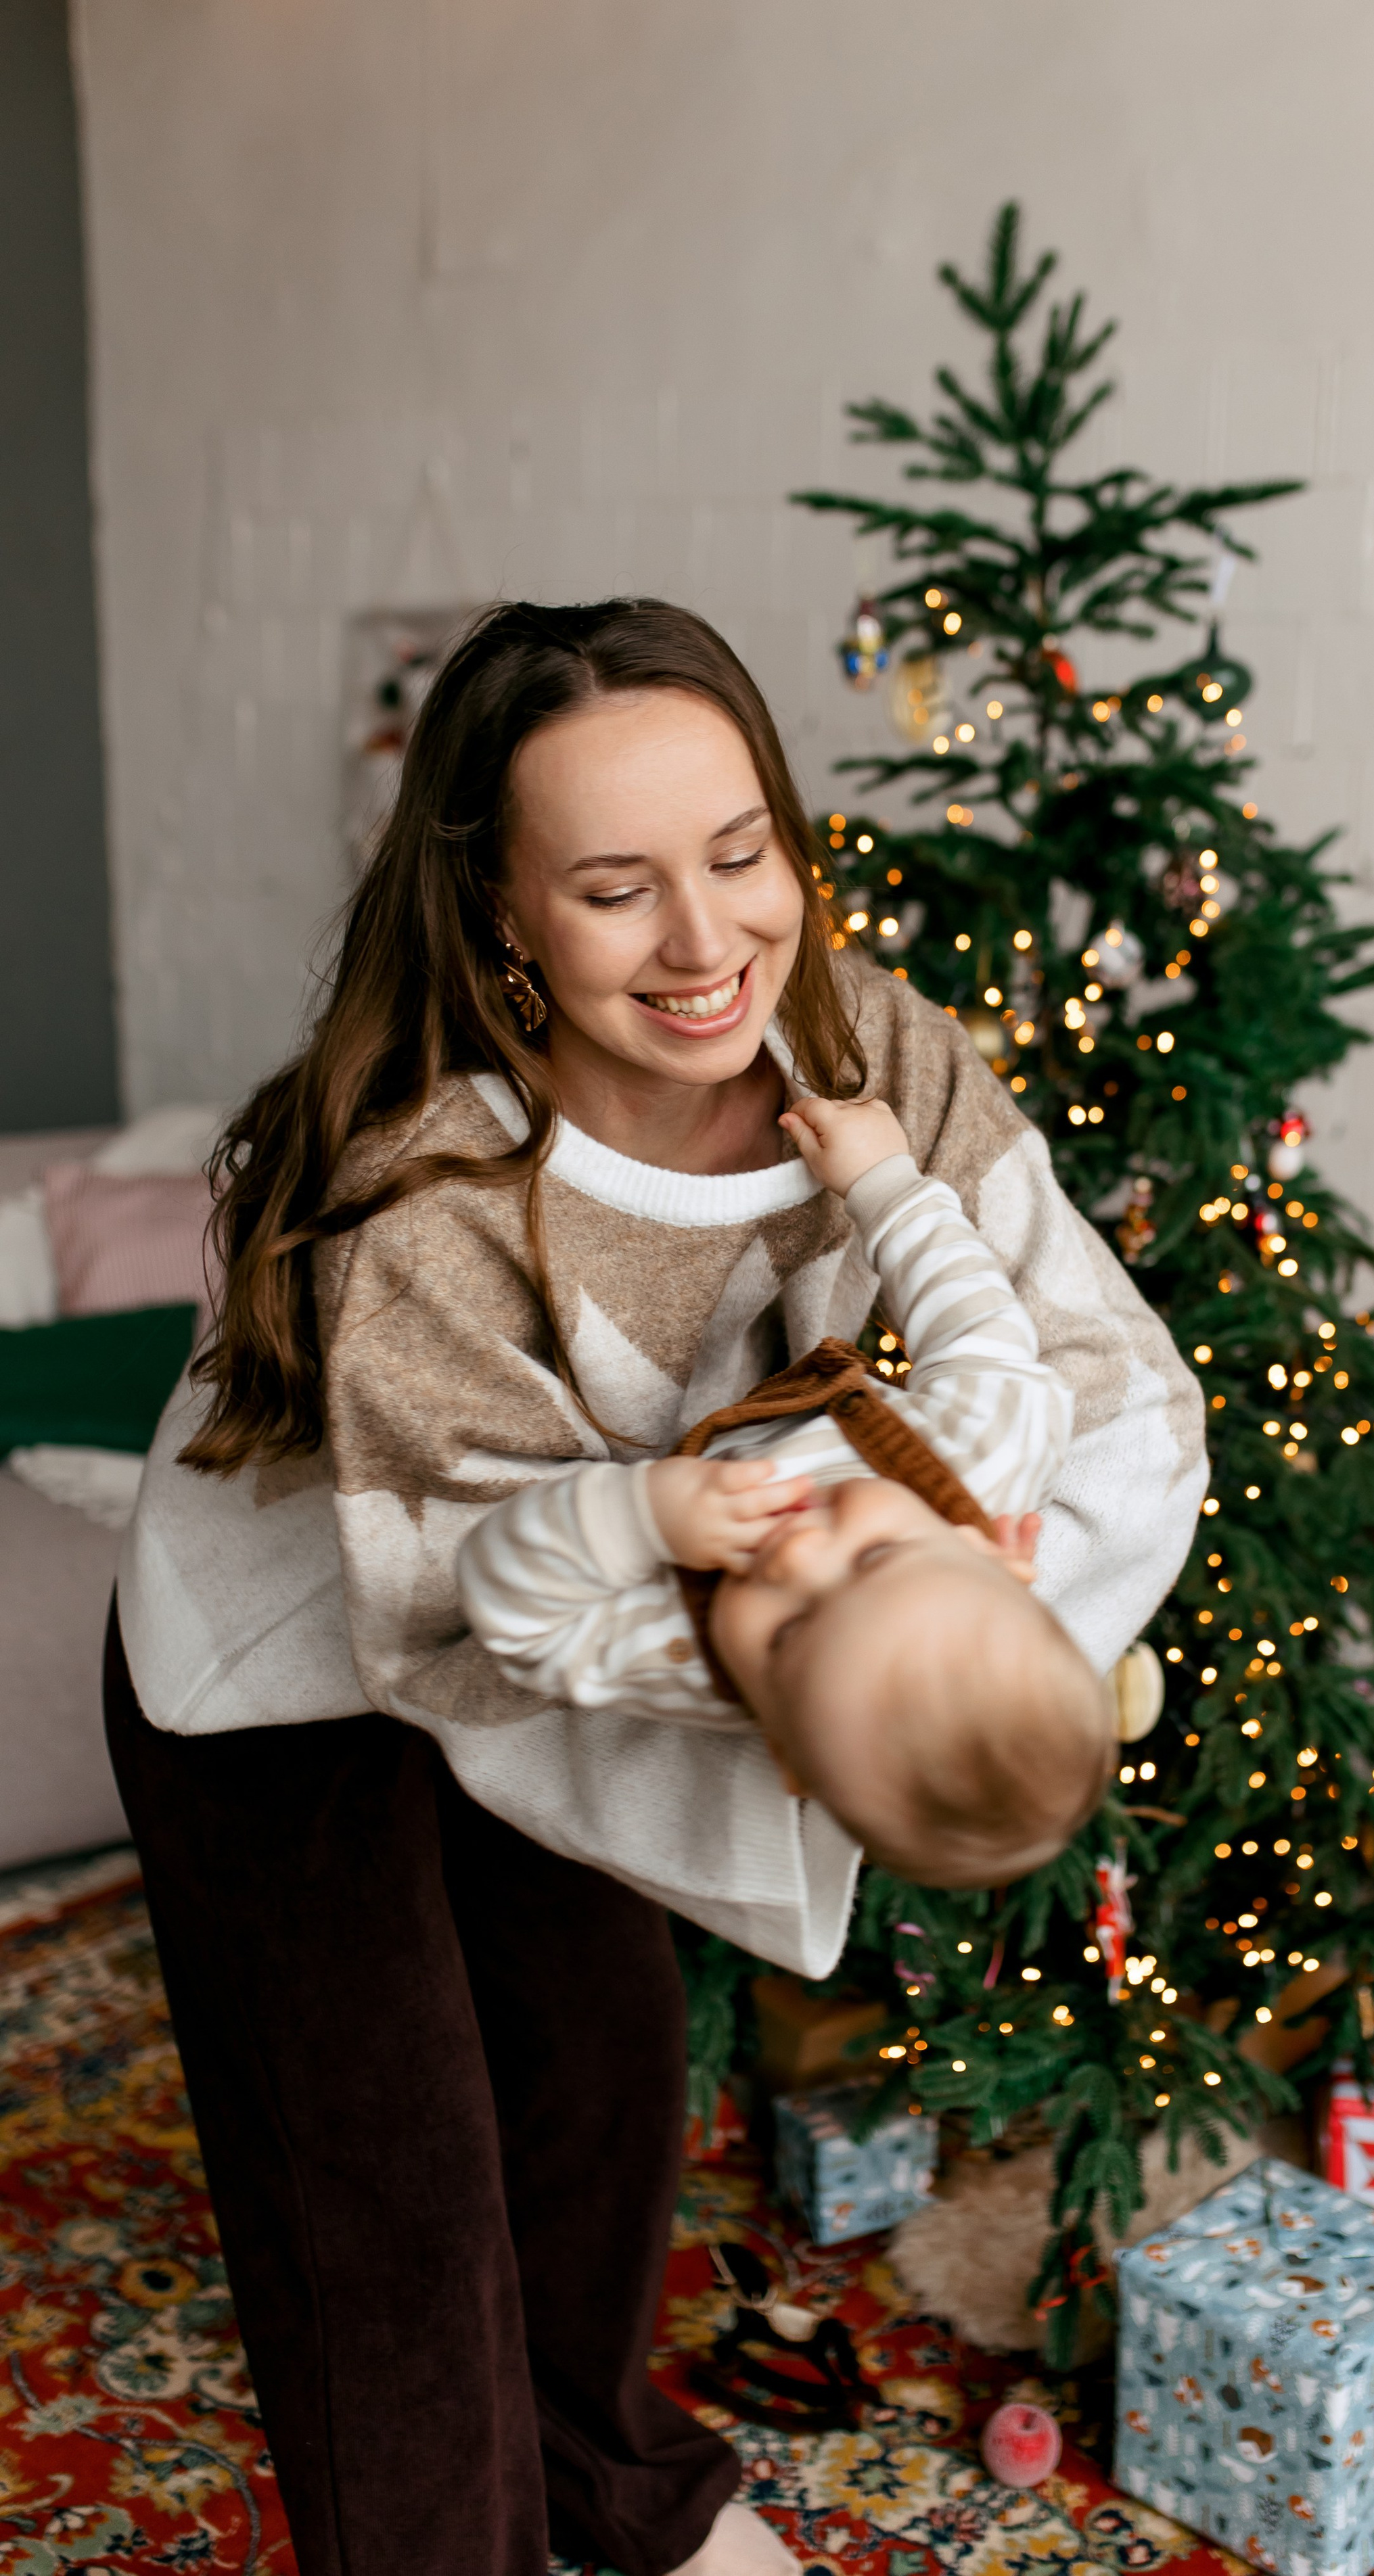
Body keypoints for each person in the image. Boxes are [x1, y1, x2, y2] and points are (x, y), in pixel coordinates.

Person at [106, 597, 1208, 2576]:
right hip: (305, 1657)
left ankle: (612, 2476)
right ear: (503, 916)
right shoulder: (418, 1185)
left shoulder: (880, 1066)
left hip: (599, 1616)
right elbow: (477, 1611)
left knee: (603, 2061)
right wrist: (846, 1602)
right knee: (396, 2177)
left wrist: (903, 1598)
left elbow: (1096, 1386)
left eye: (736, 858)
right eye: (616, 890)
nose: (706, 947)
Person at [458, 1085, 1114, 1894]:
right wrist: (885, 1186)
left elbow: (510, 1605)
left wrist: (641, 1519)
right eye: (874, 1558)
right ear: (998, 1545)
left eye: (788, 1634)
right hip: (825, 1394)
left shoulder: (680, 1659)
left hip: (655, 1445)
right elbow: (976, 1325)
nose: (797, 1555)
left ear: (783, 1750)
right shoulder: (982, 1449)